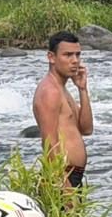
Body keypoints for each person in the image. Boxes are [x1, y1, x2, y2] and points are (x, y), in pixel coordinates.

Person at [33, 32, 93, 188]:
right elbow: (49, 144)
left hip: (73, 175)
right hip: (61, 177)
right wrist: (65, 190)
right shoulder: (50, 92)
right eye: (67, 55)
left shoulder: (62, 89)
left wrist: (82, 89)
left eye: (77, 55)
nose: (75, 61)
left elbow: (86, 129)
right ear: (51, 57)